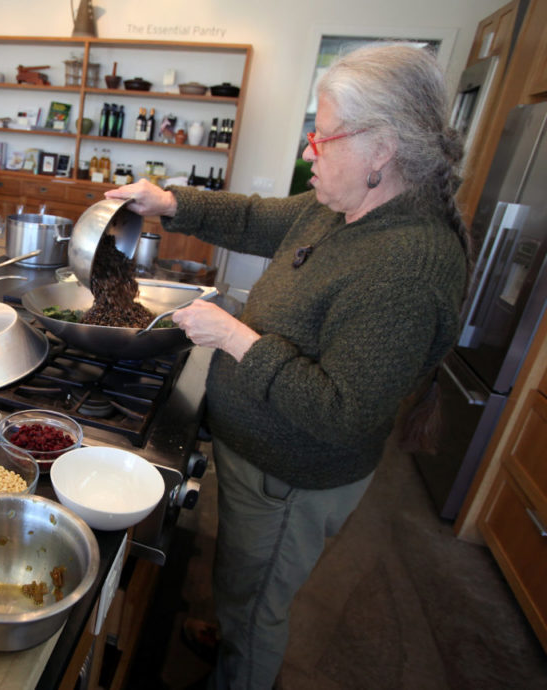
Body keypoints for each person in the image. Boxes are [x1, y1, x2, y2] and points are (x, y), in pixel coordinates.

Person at [105, 43, 470, 690]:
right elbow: (251, 216)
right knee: (241, 580)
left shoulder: (410, 265)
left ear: (383, 148)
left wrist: (236, 337)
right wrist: (169, 202)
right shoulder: (343, 207)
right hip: (257, 454)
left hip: (292, 477)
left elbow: (343, 413)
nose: (309, 151)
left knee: (258, 610)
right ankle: (230, 630)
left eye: (324, 138)